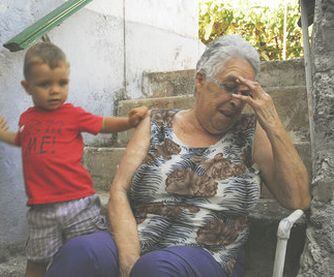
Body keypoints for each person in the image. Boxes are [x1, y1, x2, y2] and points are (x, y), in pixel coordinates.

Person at [45, 35, 311, 277]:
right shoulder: (156, 122)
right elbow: (119, 189)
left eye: (245, 93)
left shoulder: (251, 132)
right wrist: (129, 263)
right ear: (200, 80)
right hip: (138, 240)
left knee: (157, 270)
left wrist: (273, 123)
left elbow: (298, 198)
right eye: (230, 86)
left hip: (207, 255)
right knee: (80, 252)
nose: (237, 100)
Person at [0, 42, 148, 277]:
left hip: (78, 202)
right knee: (36, 260)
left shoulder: (72, 114)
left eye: (62, 83)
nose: (55, 90)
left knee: (88, 252)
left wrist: (128, 122)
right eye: (45, 84)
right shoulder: (27, 118)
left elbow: (101, 123)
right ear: (27, 87)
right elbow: (23, 140)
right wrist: (0, 134)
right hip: (40, 209)